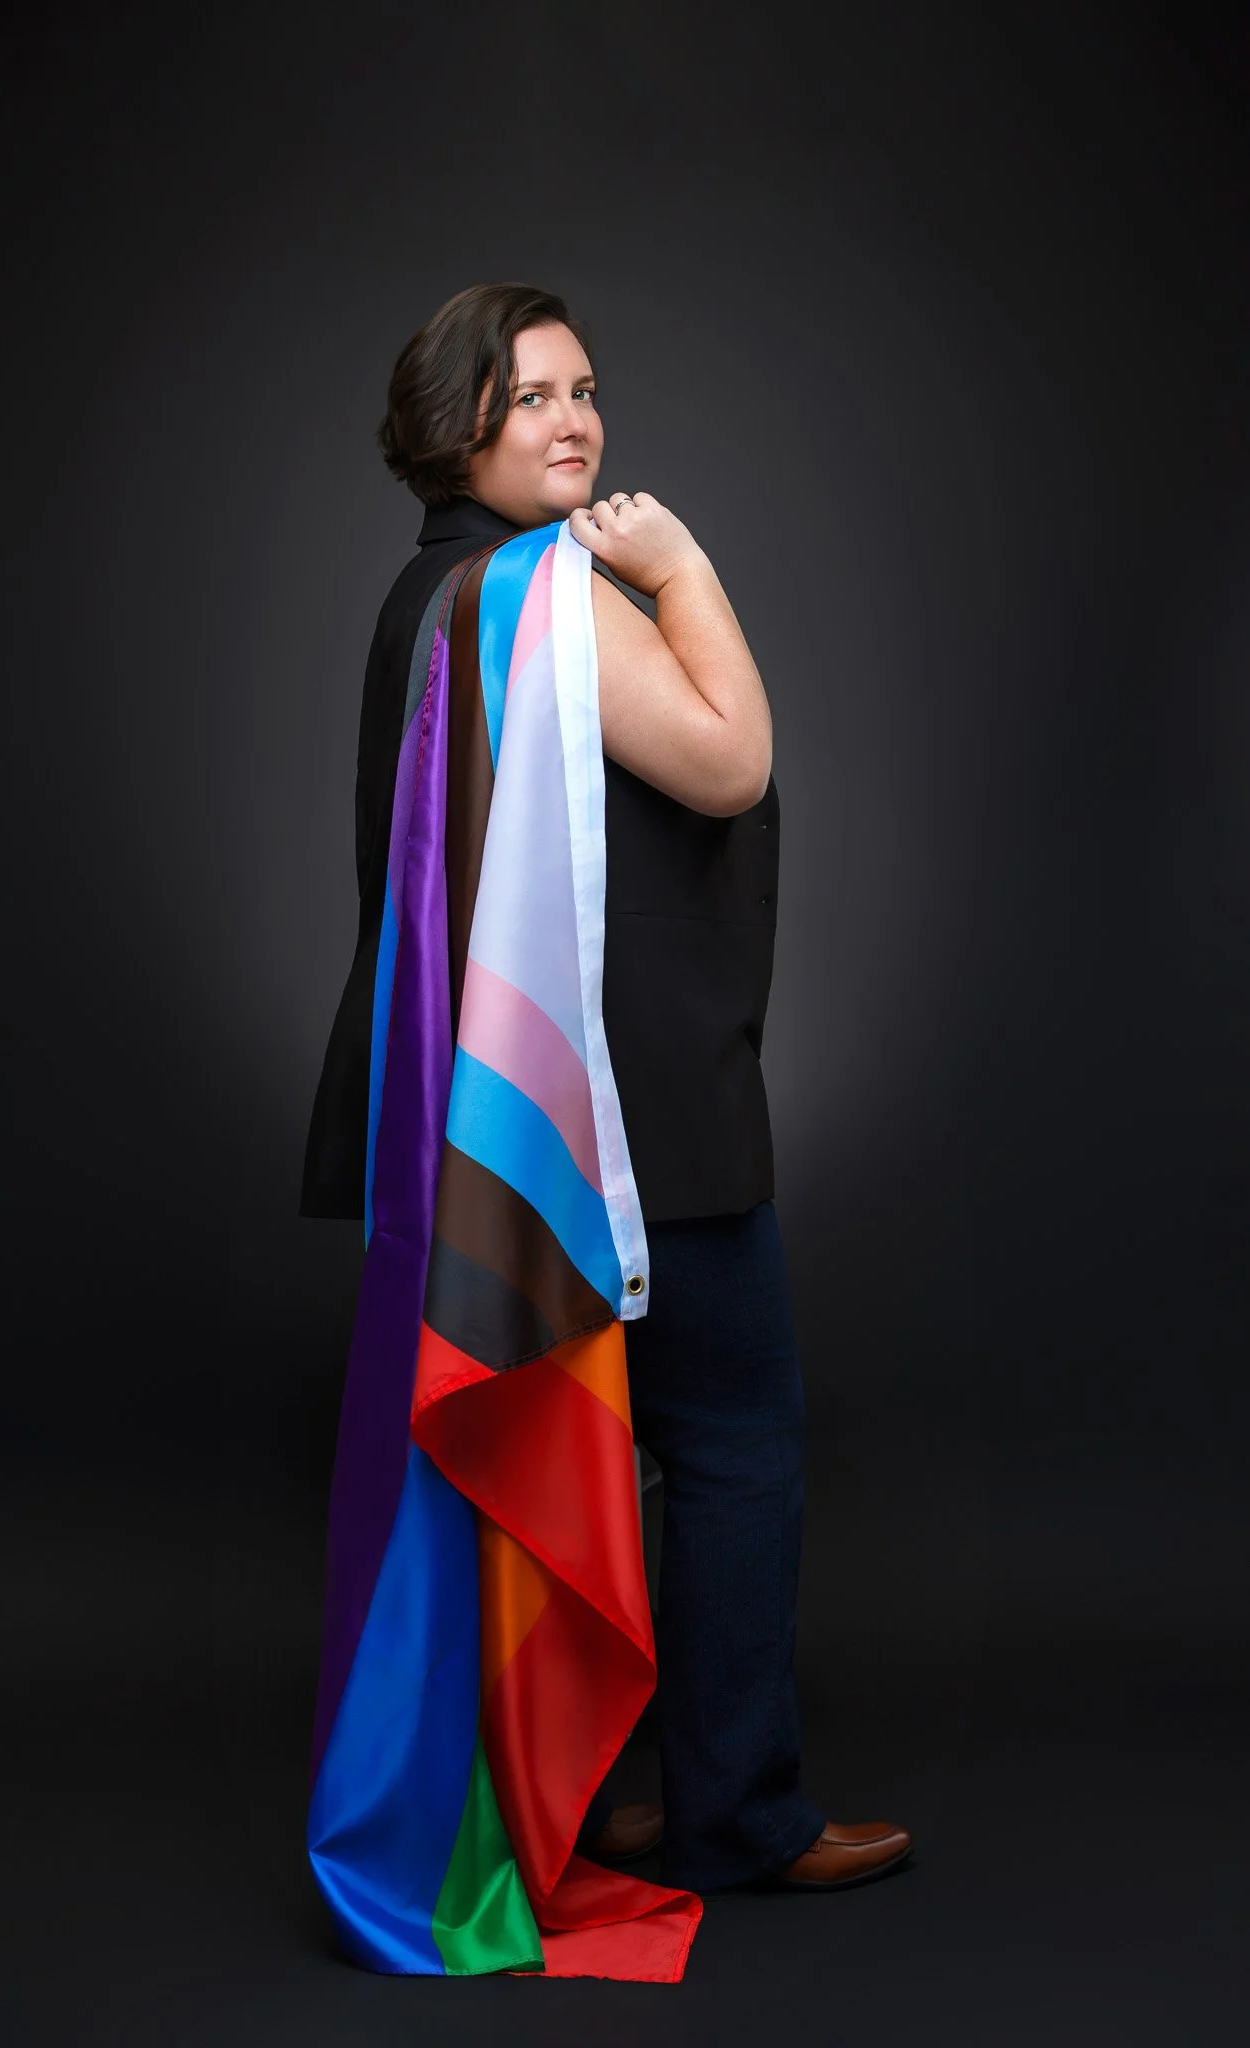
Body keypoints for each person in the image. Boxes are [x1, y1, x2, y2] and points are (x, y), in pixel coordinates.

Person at [300, 281, 913, 1896]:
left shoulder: (424, 596)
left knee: (560, 1443)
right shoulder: (549, 597)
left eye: (583, 391)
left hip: (478, 1114)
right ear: (455, 427)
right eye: (529, 401)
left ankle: (563, 1798)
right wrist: (683, 566)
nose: (571, 423)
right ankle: (740, 1816)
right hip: (619, 1115)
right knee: (730, 1441)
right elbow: (729, 759)